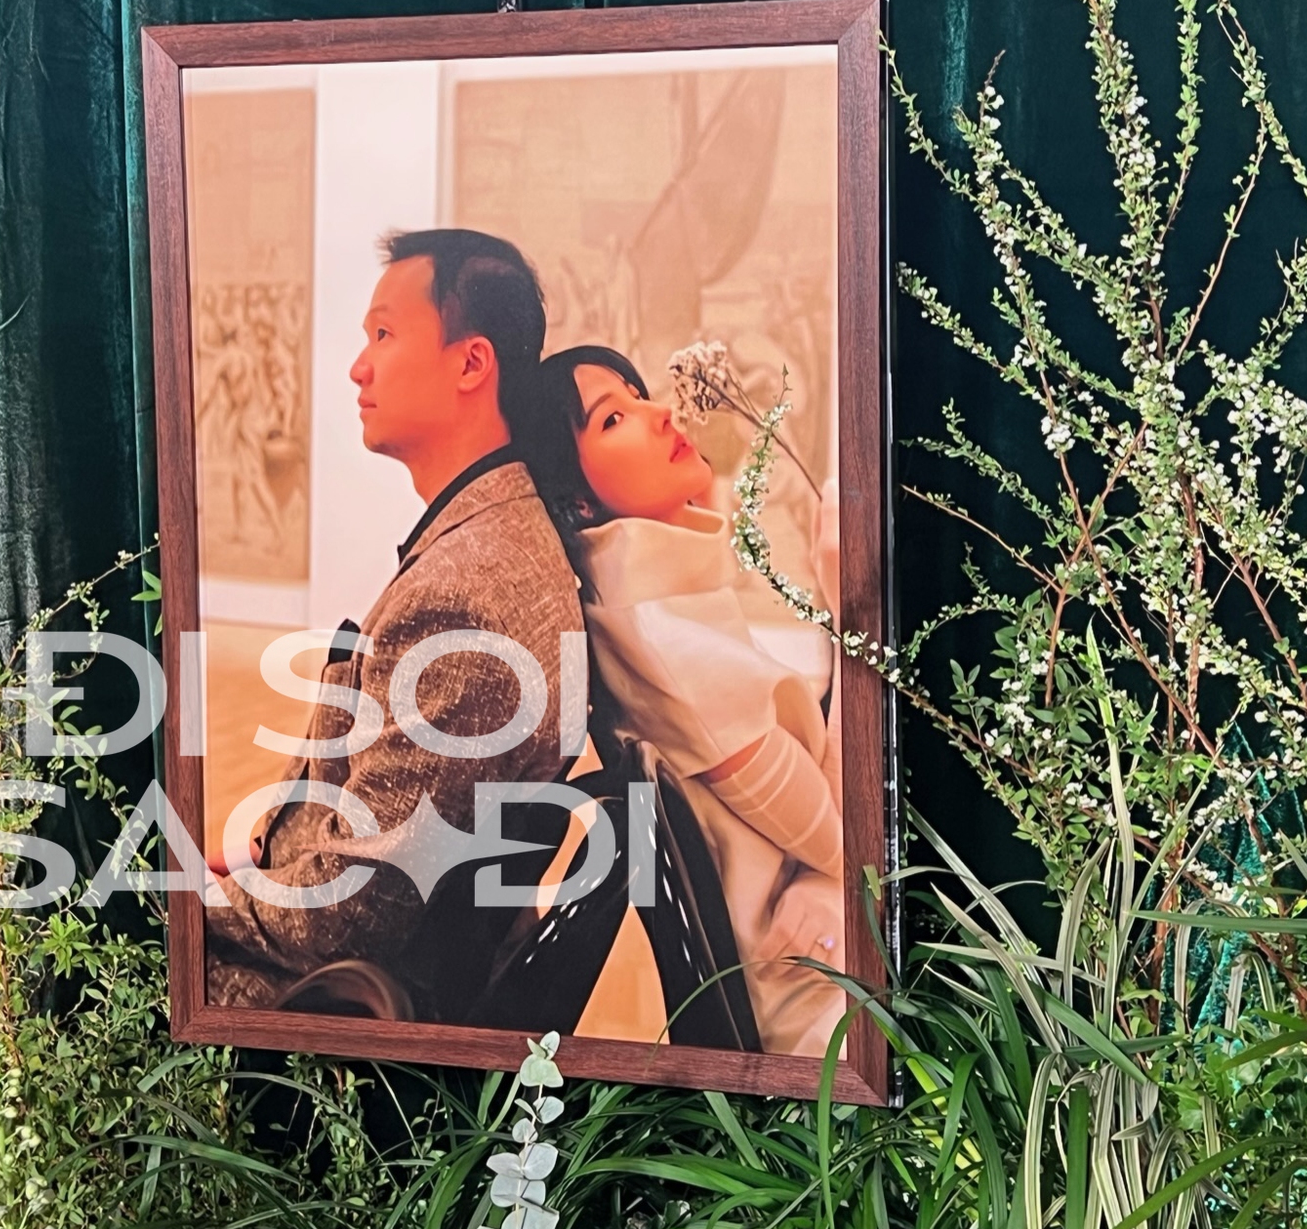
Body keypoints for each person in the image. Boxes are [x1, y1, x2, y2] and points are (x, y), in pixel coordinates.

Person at [204, 230, 585, 1019]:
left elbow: (355, 913)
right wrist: (254, 855)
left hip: (322, 1005)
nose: (359, 366)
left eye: (383, 333)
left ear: (471, 363)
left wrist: (185, 898)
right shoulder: (491, 539)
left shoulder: (466, 595)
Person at [518, 344, 845, 1057]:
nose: (662, 413)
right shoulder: (665, 642)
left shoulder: (646, 605)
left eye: (639, 396)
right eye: (613, 418)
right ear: (578, 499)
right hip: (828, 1017)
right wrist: (854, 618)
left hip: (827, 969)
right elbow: (854, 847)